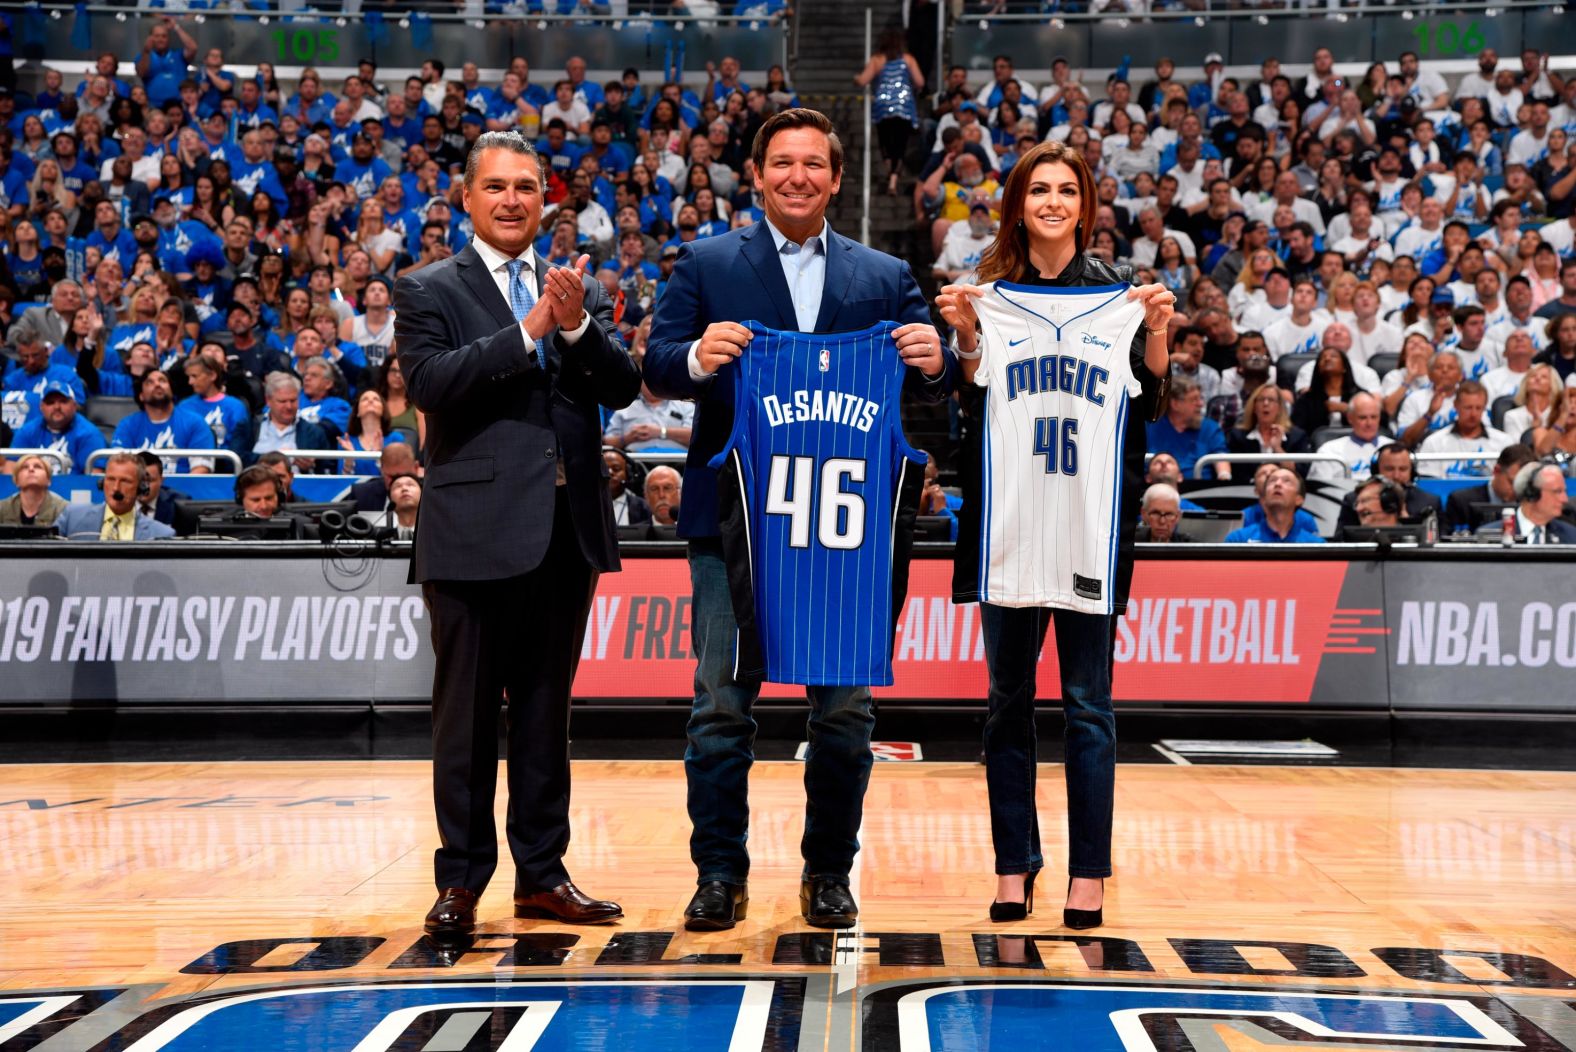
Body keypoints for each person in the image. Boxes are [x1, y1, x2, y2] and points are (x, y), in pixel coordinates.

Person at [644, 108, 950, 933]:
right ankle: (718, 873)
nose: (798, 177)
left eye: (815, 164)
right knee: (719, 707)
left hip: (845, 536)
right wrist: (696, 356)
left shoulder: (884, 276)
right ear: (757, 173)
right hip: (732, 525)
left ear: (837, 178)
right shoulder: (707, 263)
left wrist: (937, 360)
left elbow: (936, 385)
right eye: (783, 163)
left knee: (845, 713)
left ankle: (828, 872)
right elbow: (657, 362)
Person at [393, 130, 640, 939]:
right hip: (470, 532)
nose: (511, 200)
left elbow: (622, 384)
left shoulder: (575, 285)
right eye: (496, 186)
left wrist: (574, 329)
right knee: (463, 719)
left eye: (527, 187)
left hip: (564, 533)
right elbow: (432, 384)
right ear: (466, 198)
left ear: (546, 199)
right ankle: (461, 881)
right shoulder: (427, 286)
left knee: (544, 715)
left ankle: (542, 875)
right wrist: (531, 328)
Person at [934, 137, 1173, 931]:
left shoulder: (1118, 293)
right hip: (1008, 527)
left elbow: (1148, 406)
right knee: (1005, 704)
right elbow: (965, 400)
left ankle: (1090, 874)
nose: (1052, 203)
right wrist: (966, 332)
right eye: (1039, 189)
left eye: (1066, 190)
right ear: (1017, 202)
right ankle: (1013, 864)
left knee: (1087, 705)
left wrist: (1159, 332)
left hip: (1087, 529)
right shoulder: (989, 293)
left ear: (1086, 204)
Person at [855, 28, 923, 197]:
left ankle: (888, 171)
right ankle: (893, 179)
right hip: (903, 105)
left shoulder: (877, 60)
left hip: (882, 106)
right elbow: (920, 81)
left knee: (886, 143)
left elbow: (863, 80)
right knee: (899, 145)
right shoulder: (908, 59)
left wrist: (855, 78)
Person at [112, 369, 217, 475]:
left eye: (162, 380)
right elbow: (119, 467)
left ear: (171, 390)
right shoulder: (127, 425)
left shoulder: (195, 422)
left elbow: (201, 469)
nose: (157, 384)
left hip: (184, 489)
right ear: (141, 395)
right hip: (140, 489)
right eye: (150, 382)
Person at [55, 452, 175, 541]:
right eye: (111, 479)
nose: (116, 488)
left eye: (125, 481)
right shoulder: (72, 517)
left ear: (141, 487)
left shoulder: (161, 534)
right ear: (102, 483)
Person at [1416, 380, 1512, 477]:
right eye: (1468, 408)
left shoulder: (1504, 442)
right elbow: (1428, 485)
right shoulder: (1434, 442)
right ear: (1455, 405)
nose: (1473, 414)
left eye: (1478, 408)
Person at [9, 381, 106, 476]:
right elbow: (10, 469)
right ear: (41, 407)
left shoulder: (89, 434)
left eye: (63, 401)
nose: (57, 407)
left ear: (74, 405)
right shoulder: (27, 431)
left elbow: (94, 479)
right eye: (50, 402)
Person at [1442, 443, 1536, 532]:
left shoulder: (1533, 505)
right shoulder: (1461, 501)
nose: (1516, 490)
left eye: (1522, 484)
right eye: (1512, 482)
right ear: (1496, 470)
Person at [1147, 376, 1229, 479]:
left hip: (1199, 489)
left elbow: (1221, 457)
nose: (1200, 404)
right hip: (1159, 488)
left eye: (1200, 398)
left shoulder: (1210, 428)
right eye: (1194, 399)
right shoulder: (1150, 427)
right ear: (1175, 404)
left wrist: (1224, 476)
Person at [251, 372, 330, 470]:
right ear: (268, 400)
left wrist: (311, 466)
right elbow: (238, 459)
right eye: (282, 401)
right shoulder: (250, 427)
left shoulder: (314, 433)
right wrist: (274, 458)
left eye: (293, 401)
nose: (289, 406)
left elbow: (327, 469)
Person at [1223, 467, 1325, 543]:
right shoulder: (1238, 540)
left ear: (1299, 499)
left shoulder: (1315, 544)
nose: (1278, 484)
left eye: (1286, 481)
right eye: (1272, 481)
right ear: (1264, 497)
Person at [1309, 391, 1386, 481]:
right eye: (1362, 417)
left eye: (1374, 417)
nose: (1369, 423)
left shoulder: (1394, 449)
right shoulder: (1329, 451)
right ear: (1350, 418)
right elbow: (1319, 489)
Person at [602, 383, 693, 451]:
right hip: (636, 462)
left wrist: (661, 432)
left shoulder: (685, 406)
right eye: (647, 379)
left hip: (678, 461)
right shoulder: (624, 408)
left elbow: (695, 438)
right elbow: (608, 443)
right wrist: (627, 438)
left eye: (655, 379)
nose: (651, 384)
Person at [1512, 461, 1576, 543]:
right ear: (1532, 493)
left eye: (1564, 492)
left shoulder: (1572, 536)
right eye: (1557, 491)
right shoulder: (1493, 535)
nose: (1565, 499)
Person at [351, 441, 421, 513]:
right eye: (392, 477)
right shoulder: (362, 496)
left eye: (405, 476)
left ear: (416, 468)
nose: (400, 483)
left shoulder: (431, 496)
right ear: (382, 470)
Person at [0, 453, 67, 527]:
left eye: (37, 467)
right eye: (24, 467)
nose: (31, 469)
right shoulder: (2, 508)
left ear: (49, 480)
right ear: (16, 481)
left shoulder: (63, 509)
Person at [603, 447, 650, 526]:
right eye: (604, 469)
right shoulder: (584, 505)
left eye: (616, 468)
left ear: (628, 474)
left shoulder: (643, 507)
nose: (610, 473)